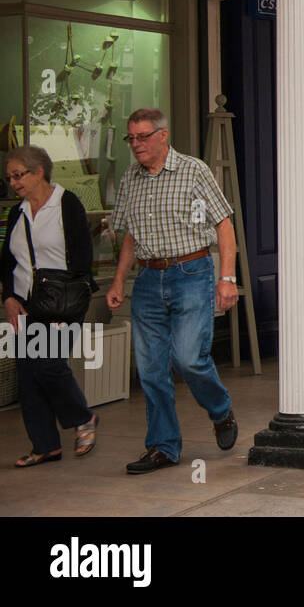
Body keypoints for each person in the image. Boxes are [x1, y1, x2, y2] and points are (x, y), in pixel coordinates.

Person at [105, 108, 239, 474]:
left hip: (192, 273)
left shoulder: (194, 170)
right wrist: (119, 279)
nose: (135, 145)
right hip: (147, 279)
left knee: (188, 358)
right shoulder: (130, 178)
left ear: (163, 136)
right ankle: (163, 445)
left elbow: (223, 223)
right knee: (150, 370)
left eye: (143, 137)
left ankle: (220, 410)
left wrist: (227, 278)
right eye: (130, 138)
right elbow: (130, 235)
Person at [1, 146, 98, 466]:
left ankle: (83, 417)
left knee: (49, 365)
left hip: (61, 302)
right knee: (28, 376)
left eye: (18, 175)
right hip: (24, 304)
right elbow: (7, 260)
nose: (13, 183)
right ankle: (45, 446)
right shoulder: (18, 212)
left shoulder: (66, 203)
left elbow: (83, 256)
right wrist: (9, 297)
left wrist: (63, 304)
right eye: (9, 178)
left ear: (39, 171)